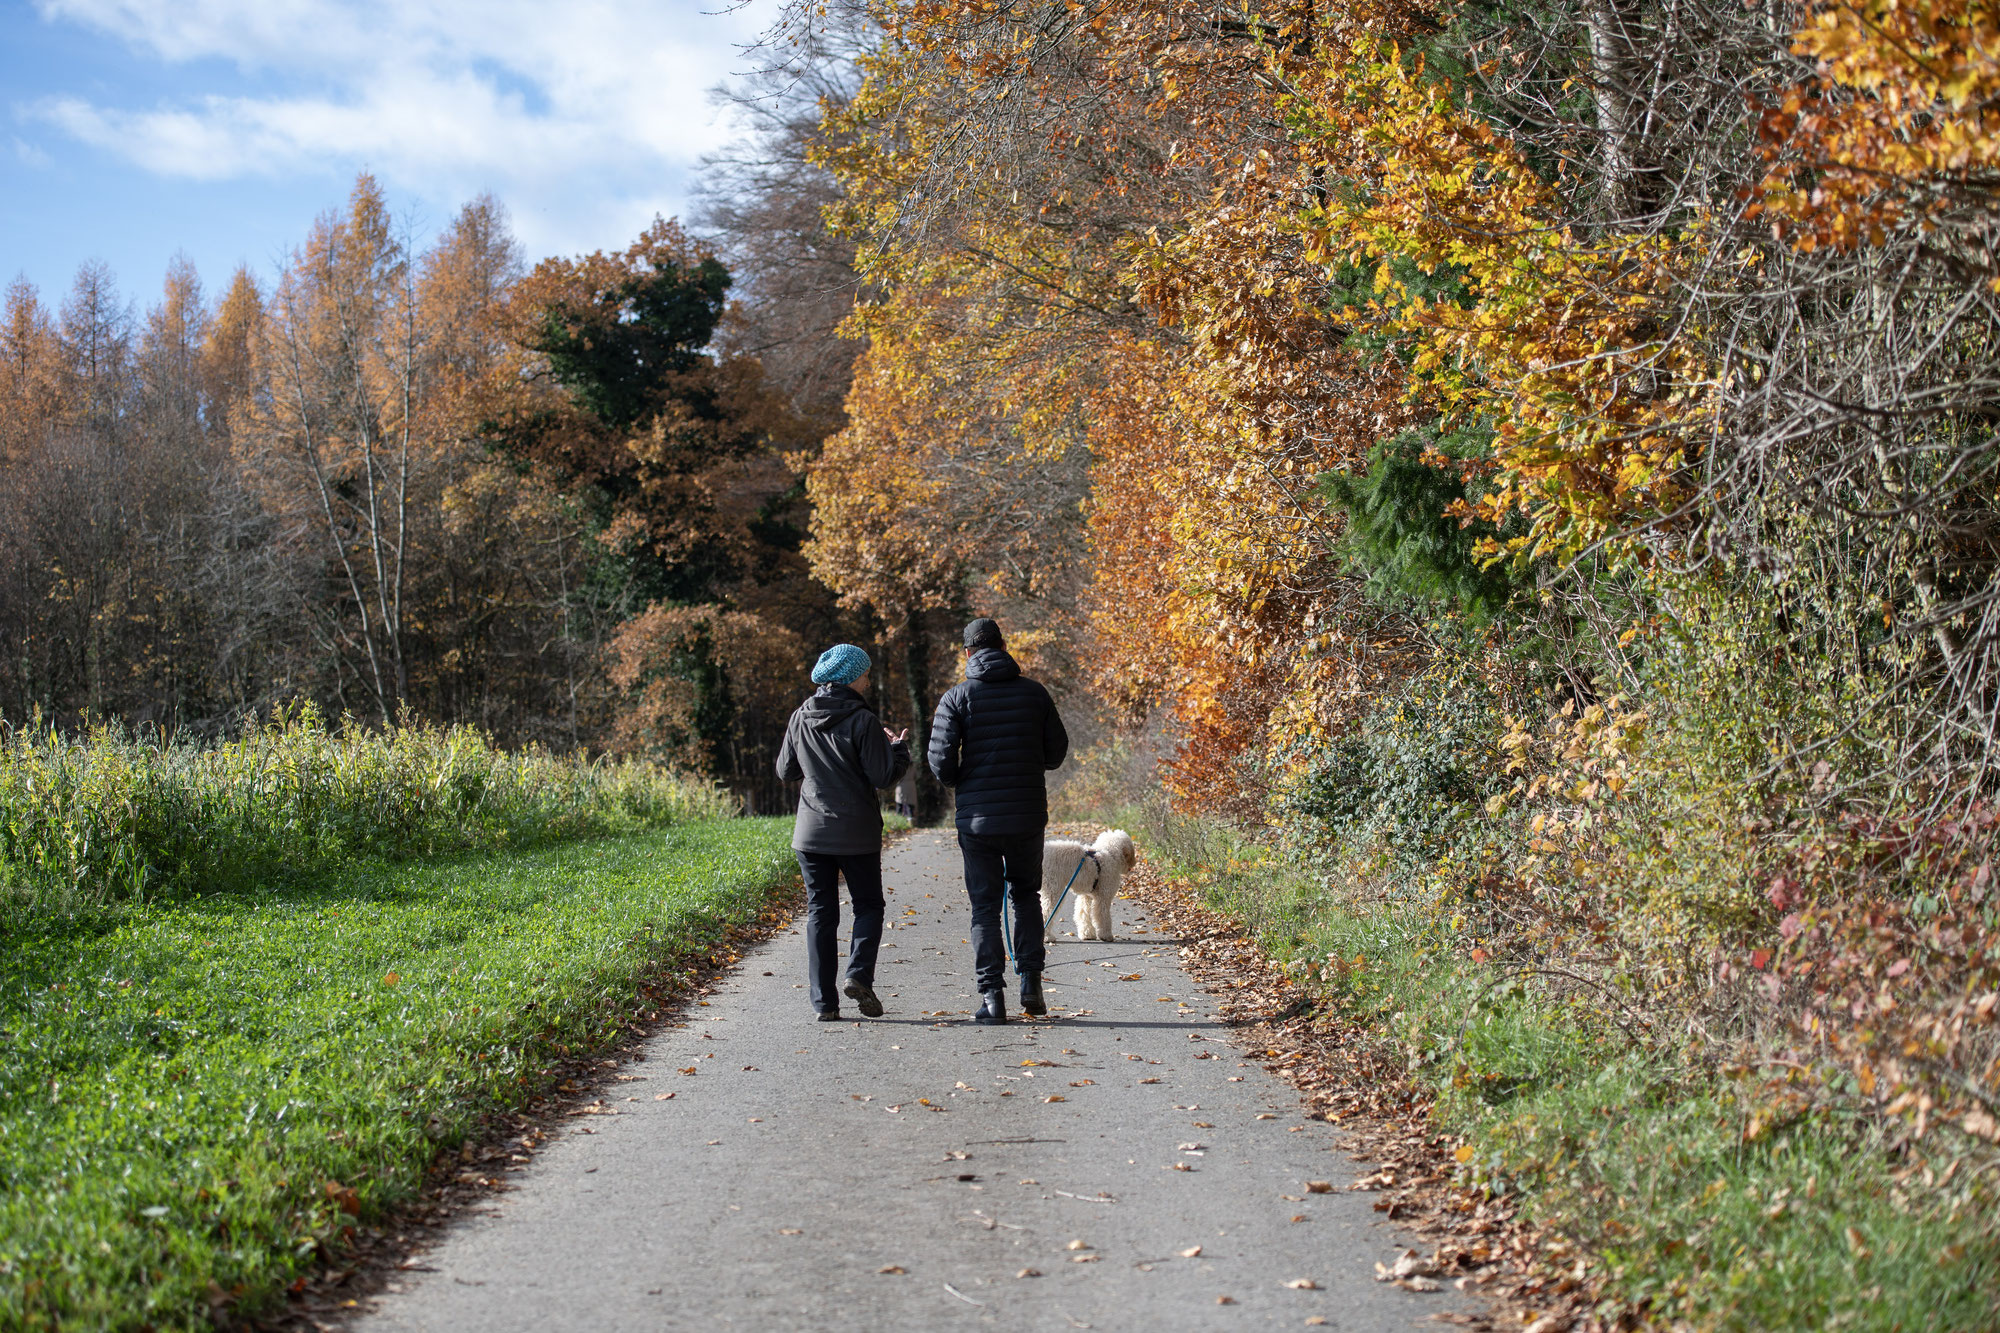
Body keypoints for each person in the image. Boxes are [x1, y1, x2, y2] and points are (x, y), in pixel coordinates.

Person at [927, 618, 1069, 1024]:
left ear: (968, 653)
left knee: (985, 908)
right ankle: (1032, 984)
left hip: (977, 822)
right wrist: (1029, 764)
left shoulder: (956, 697)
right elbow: (1056, 752)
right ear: (1004, 647)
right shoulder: (1035, 694)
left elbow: (939, 761)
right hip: (1026, 815)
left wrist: (960, 781)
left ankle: (992, 997)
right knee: (1025, 896)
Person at [775, 643, 911, 1022]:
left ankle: (824, 1004)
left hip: (811, 834)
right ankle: (858, 974)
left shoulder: (801, 716)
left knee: (820, 912)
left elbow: (785, 771)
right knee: (868, 905)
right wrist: (898, 750)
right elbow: (883, 777)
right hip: (857, 833)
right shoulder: (863, 720)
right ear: (851, 676)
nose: (868, 679)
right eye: (865, 673)